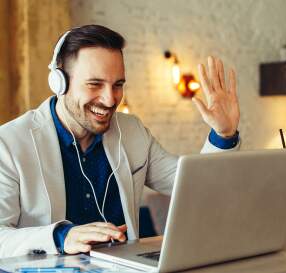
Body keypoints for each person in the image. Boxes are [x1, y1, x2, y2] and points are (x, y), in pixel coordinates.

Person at [0, 25, 240, 258]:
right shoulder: (9, 143)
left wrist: (224, 133)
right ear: (59, 82)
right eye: (95, 84)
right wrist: (62, 236)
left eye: (118, 85)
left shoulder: (132, 130)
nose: (109, 98)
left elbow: (194, 187)